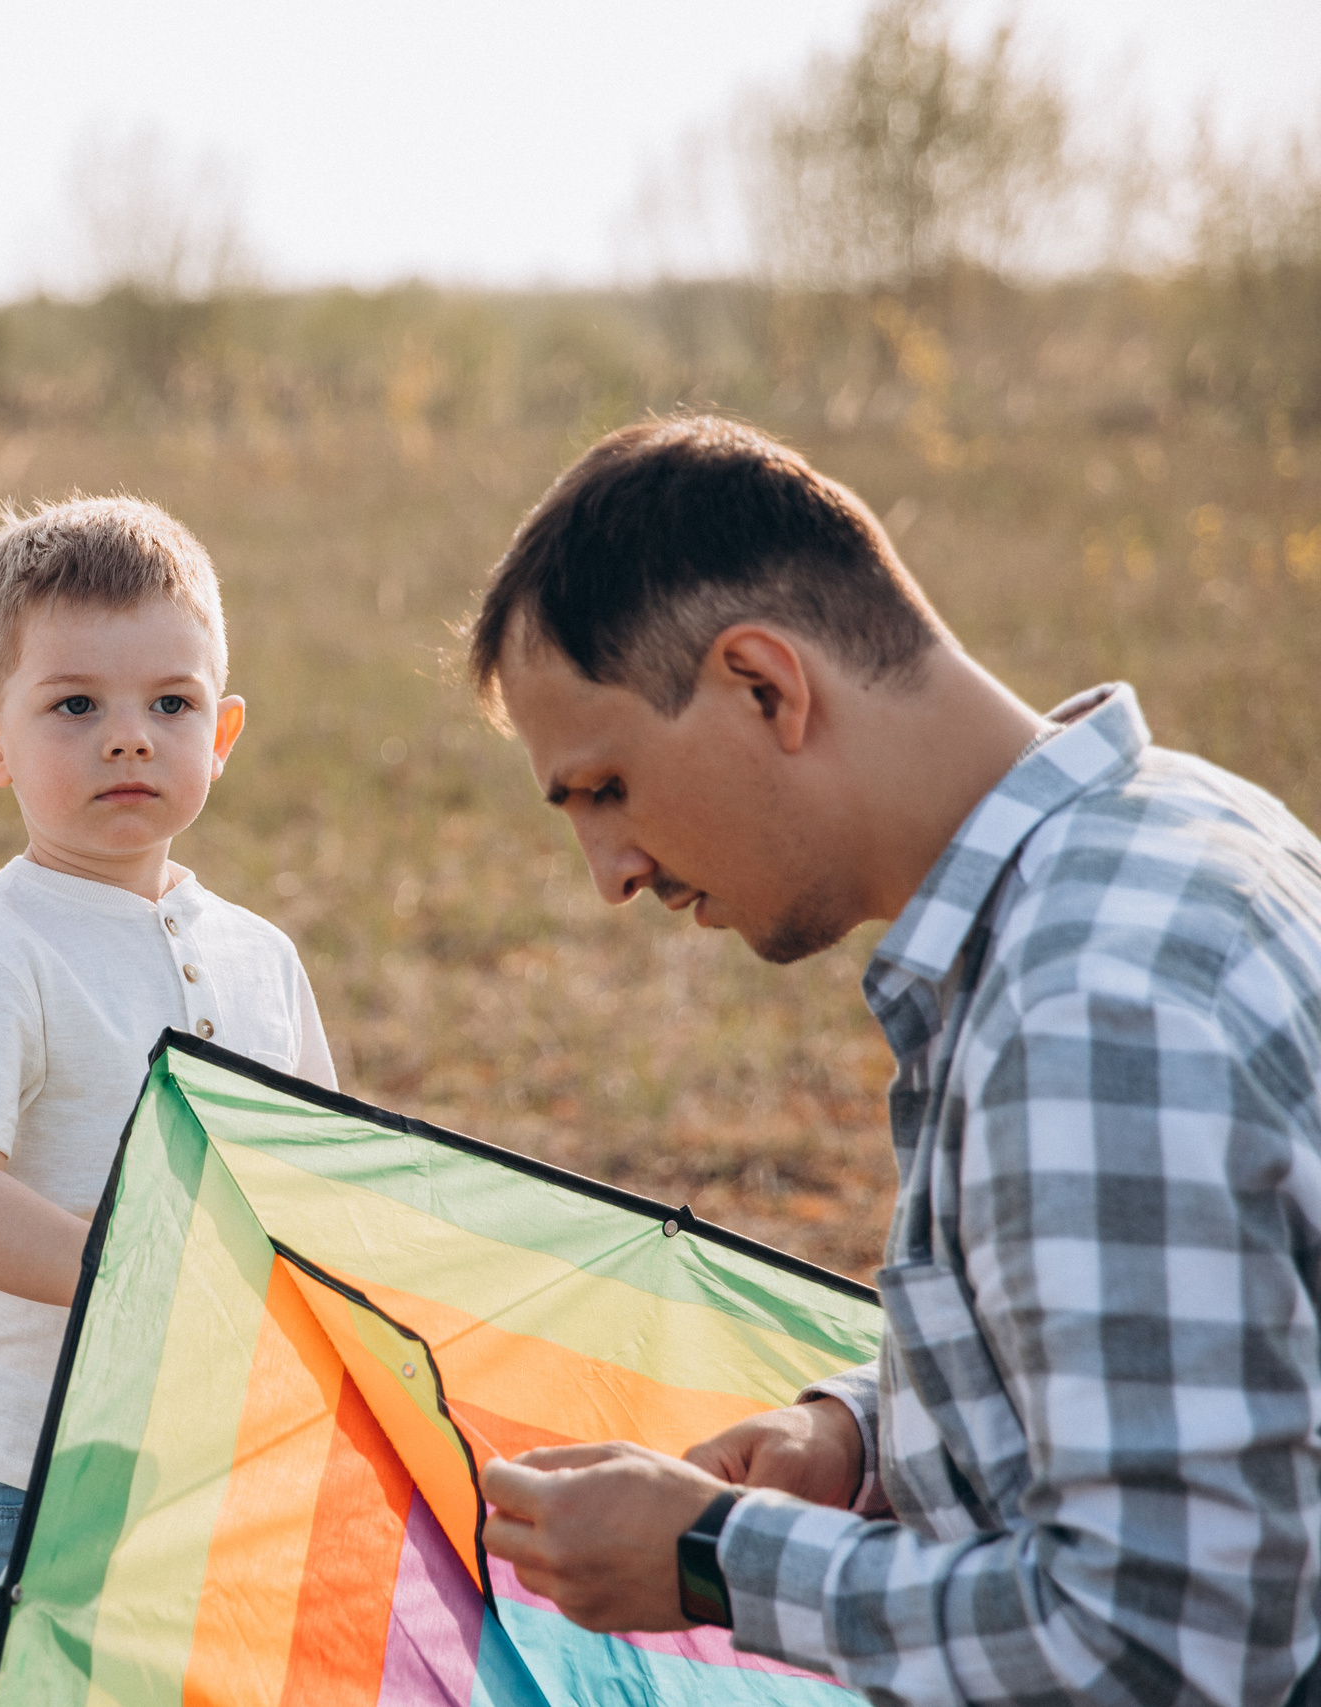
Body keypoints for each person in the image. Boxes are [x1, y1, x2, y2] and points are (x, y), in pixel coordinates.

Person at [462, 415, 1321, 1706]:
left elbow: (1165, 1638)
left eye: (606, 787)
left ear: (764, 683)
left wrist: (715, 1557)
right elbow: (1217, 1348)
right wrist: (862, 1432)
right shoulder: (1176, 827)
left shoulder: (1090, 1001)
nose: (611, 874)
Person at [0, 496, 337, 1687]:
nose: (128, 738)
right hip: (55, 1465)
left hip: (236, 1449)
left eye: (169, 705)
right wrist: (132, 1281)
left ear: (223, 730)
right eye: (75, 705)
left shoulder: (257, 954)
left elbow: (319, 1173)